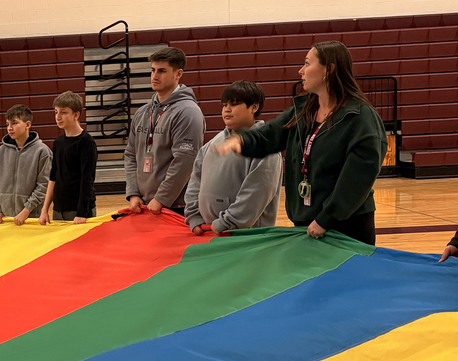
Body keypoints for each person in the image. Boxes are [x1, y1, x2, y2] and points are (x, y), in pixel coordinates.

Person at [216, 41, 387, 245]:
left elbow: (357, 180)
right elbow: (270, 135)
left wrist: (326, 219)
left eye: (307, 64)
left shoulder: (360, 118)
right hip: (306, 223)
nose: (301, 71)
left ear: (329, 70)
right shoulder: (304, 110)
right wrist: (242, 141)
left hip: (346, 227)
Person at [185, 80, 282, 235]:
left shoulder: (266, 149)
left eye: (235, 104)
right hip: (208, 233)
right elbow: (195, 182)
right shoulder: (211, 144)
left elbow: (256, 194)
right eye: (224, 105)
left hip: (245, 237)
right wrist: (194, 216)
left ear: (254, 107)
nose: (227, 109)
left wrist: (227, 223)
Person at [124, 47, 205, 216]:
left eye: (162, 71)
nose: (155, 76)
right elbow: (131, 155)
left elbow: (184, 161)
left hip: (176, 207)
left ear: (178, 74)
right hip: (145, 205)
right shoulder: (142, 112)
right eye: (153, 70)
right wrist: (133, 193)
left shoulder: (188, 112)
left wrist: (162, 198)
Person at [39, 91, 97, 225]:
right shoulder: (58, 142)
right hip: (59, 209)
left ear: (76, 115)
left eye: (63, 112)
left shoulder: (86, 142)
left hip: (78, 211)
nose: (58, 117)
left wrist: (81, 213)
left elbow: (87, 179)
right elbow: (53, 177)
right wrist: (44, 210)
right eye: (56, 112)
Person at [0, 104, 51, 225]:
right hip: (7, 219)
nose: (9, 128)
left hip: (31, 218)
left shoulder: (42, 151)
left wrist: (26, 210)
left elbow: (44, 185)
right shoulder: (1, 152)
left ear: (27, 125)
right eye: (7, 124)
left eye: (14, 123)